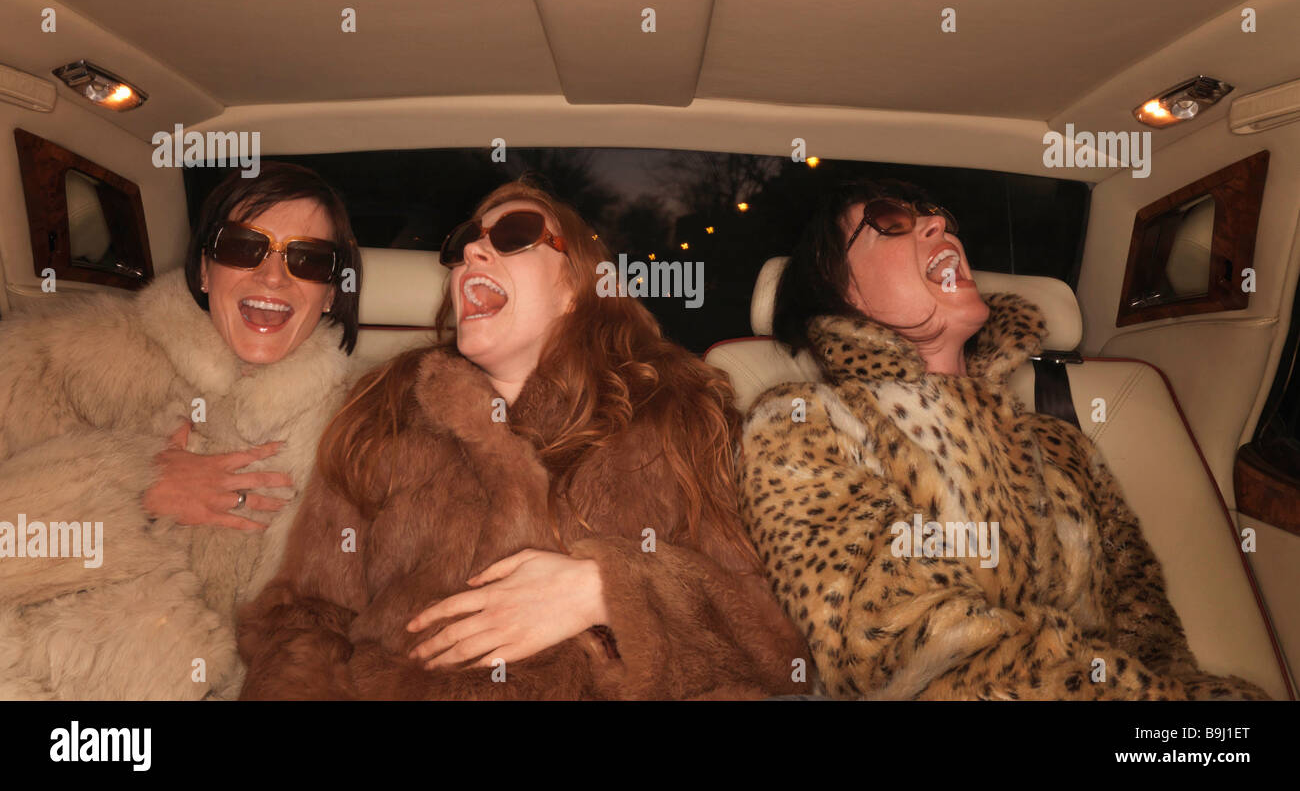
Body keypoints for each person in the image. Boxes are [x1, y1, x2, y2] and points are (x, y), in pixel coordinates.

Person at [237, 181, 808, 700]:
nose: (472, 254)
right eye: (465, 243)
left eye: (514, 236)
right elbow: (309, 616)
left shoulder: (675, 417)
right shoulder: (383, 411)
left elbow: (774, 643)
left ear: (576, 290)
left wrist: (608, 588)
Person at [738, 177, 1271, 700]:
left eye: (935, 212)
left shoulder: (1063, 445)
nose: (938, 223)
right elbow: (901, 654)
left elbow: (1146, 624)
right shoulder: (803, 424)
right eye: (891, 221)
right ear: (840, 288)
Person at [0, 163, 361, 700]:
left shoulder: (357, 434)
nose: (273, 276)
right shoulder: (52, 363)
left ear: (331, 293)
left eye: (308, 259)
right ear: (204, 270)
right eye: (244, 247)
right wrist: (136, 489)